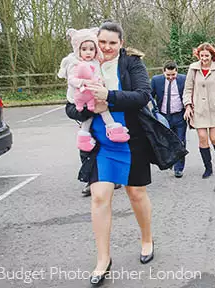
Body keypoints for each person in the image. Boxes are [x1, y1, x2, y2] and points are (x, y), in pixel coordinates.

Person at [64, 21, 187, 286]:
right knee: (99, 196)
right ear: (96, 42)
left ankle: (146, 238)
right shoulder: (83, 65)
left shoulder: (131, 64)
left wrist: (107, 96)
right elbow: (71, 107)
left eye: (112, 43)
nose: (106, 48)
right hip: (100, 142)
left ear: (121, 43)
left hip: (132, 141)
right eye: (103, 42)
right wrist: (88, 109)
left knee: (136, 193)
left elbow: (142, 96)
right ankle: (103, 259)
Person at [57, 27, 130, 153]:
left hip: (96, 95)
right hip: (83, 96)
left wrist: (106, 92)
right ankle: (86, 135)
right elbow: (70, 107)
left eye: (91, 49)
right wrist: (84, 85)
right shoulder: (75, 63)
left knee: (103, 109)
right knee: (94, 113)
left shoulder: (123, 63)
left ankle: (112, 128)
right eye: (84, 49)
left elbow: (141, 96)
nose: (88, 52)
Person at [183, 43, 215, 179]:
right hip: (199, 109)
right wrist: (188, 105)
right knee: (203, 138)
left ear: (212, 56)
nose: (204, 58)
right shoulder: (193, 69)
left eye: (206, 55)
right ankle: (208, 167)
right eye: (201, 55)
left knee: (214, 138)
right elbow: (188, 89)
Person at [151, 61, 187, 178]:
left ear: (177, 72)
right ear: (163, 72)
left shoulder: (183, 80)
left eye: (173, 75)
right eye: (168, 75)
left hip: (179, 115)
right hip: (163, 116)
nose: (171, 77)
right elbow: (149, 96)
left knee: (180, 141)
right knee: (166, 141)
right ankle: (171, 160)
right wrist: (154, 111)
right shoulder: (156, 80)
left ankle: (179, 168)